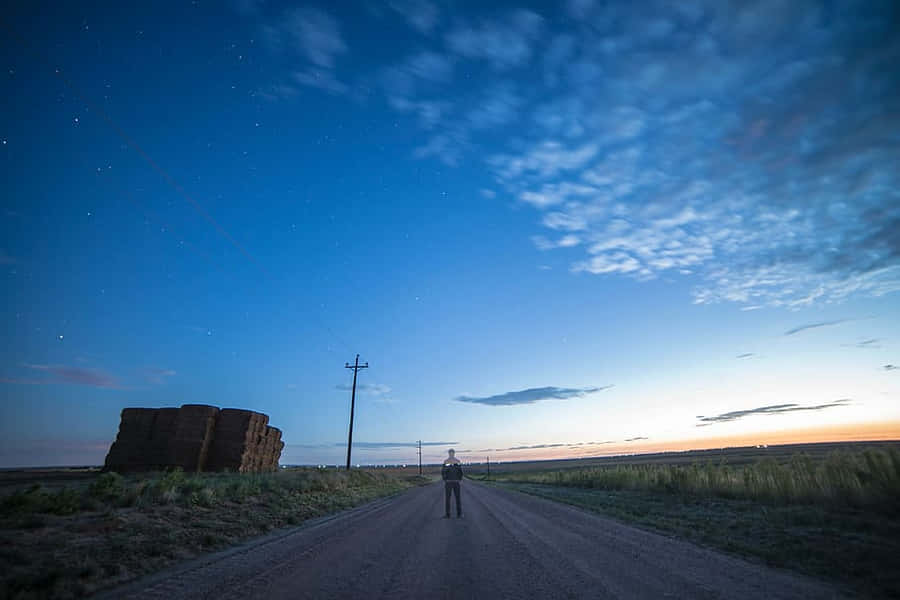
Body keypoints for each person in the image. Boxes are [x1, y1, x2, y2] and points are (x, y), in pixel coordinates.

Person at [441, 448, 463, 518]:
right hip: (449, 483)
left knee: (458, 498)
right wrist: (445, 479)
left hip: (456, 482)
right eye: (450, 453)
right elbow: (443, 472)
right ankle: (448, 514)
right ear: (448, 453)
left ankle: (459, 514)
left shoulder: (458, 461)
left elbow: (460, 472)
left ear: (454, 453)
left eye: (452, 452)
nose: (451, 454)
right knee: (447, 499)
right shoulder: (446, 461)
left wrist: (459, 479)